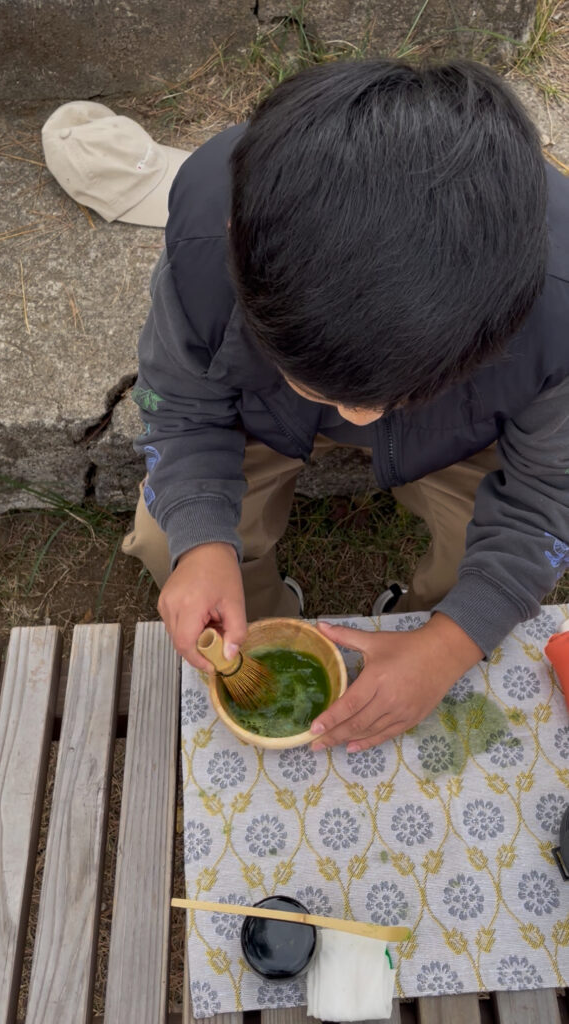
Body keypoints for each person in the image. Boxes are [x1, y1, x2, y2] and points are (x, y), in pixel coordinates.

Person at [122, 58, 569, 753]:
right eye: (324, 388)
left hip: (463, 429)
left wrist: (448, 645)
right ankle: (265, 612)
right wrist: (202, 542)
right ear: (240, 245)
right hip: (258, 413)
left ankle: (415, 623)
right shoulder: (210, 243)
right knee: (166, 537)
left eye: (392, 395)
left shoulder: (558, 314)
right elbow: (180, 406)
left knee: (476, 573)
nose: (359, 421)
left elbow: (547, 496)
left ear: (501, 323)